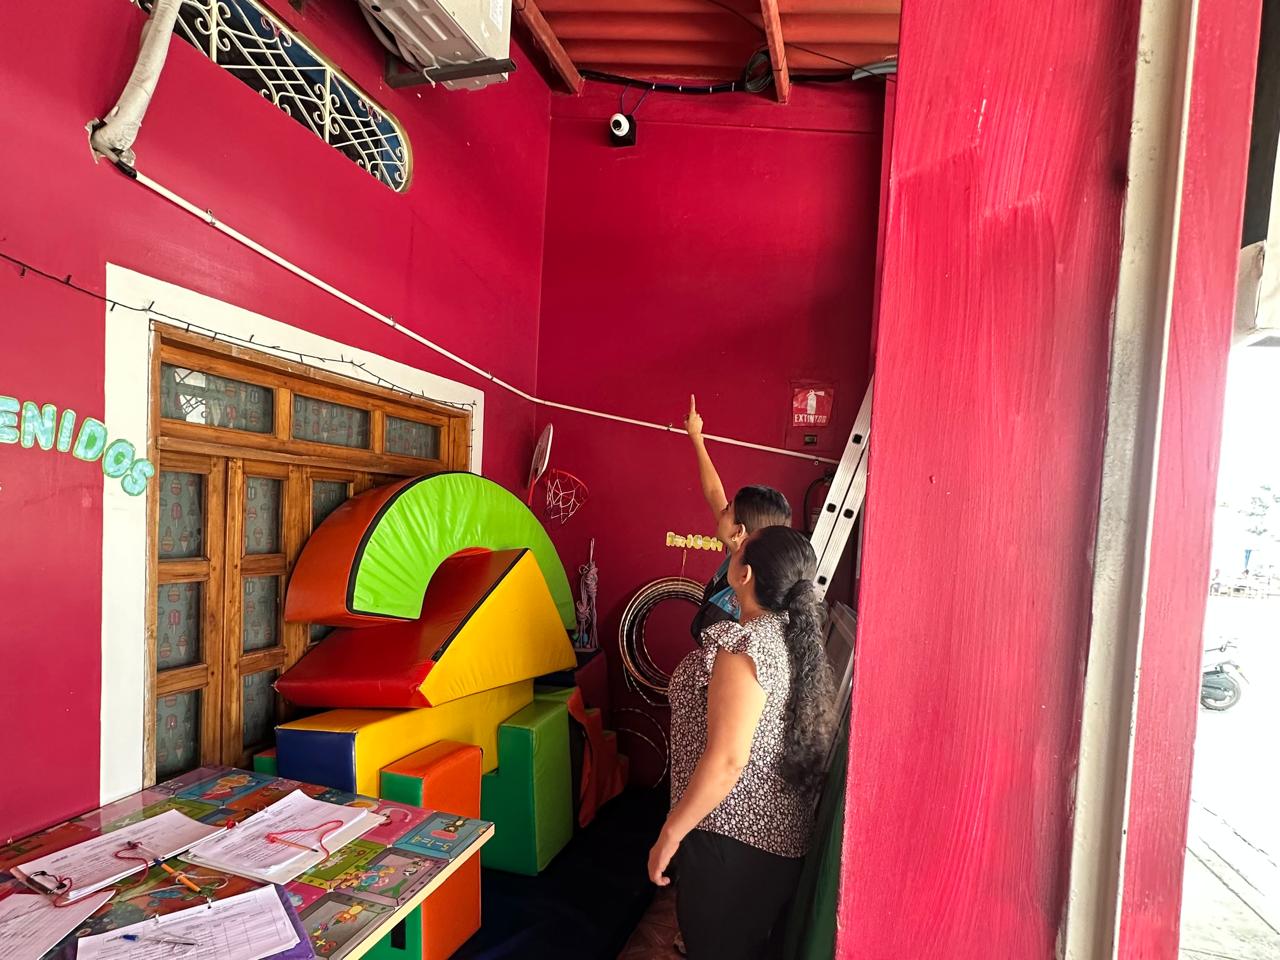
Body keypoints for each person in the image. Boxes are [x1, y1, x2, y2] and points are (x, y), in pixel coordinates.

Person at [649, 526, 837, 959]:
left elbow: (728, 760)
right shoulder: (791, 637)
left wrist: (669, 835)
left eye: (738, 549)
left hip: (731, 841)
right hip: (771, 841)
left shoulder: (745, 645)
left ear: (743, 574)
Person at [684, 395, 793, 640]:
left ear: (739, 532)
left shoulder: (750, 602)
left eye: (727, 510)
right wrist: (696, 437)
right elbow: (714, 492)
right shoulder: (740, 554)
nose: (721, 510)